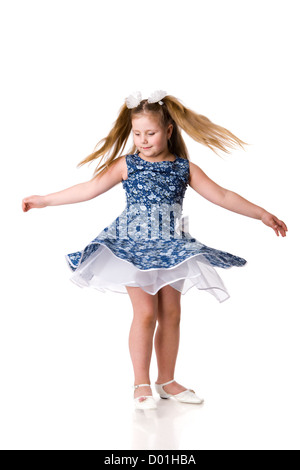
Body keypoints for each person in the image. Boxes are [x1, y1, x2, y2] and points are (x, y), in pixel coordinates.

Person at [22, 90, 288, 410]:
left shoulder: (183, 168)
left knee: (172, 313)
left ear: (169, 131)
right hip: (133, 244)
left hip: (172, 245)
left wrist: (261, 213)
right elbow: (89, 188)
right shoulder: (127, 164)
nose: (143, 140)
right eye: (137, 134)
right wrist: (44, 200)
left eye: (151, 133)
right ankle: (141, 382)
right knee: (145, 313)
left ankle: (167, 380)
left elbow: (222, 194)